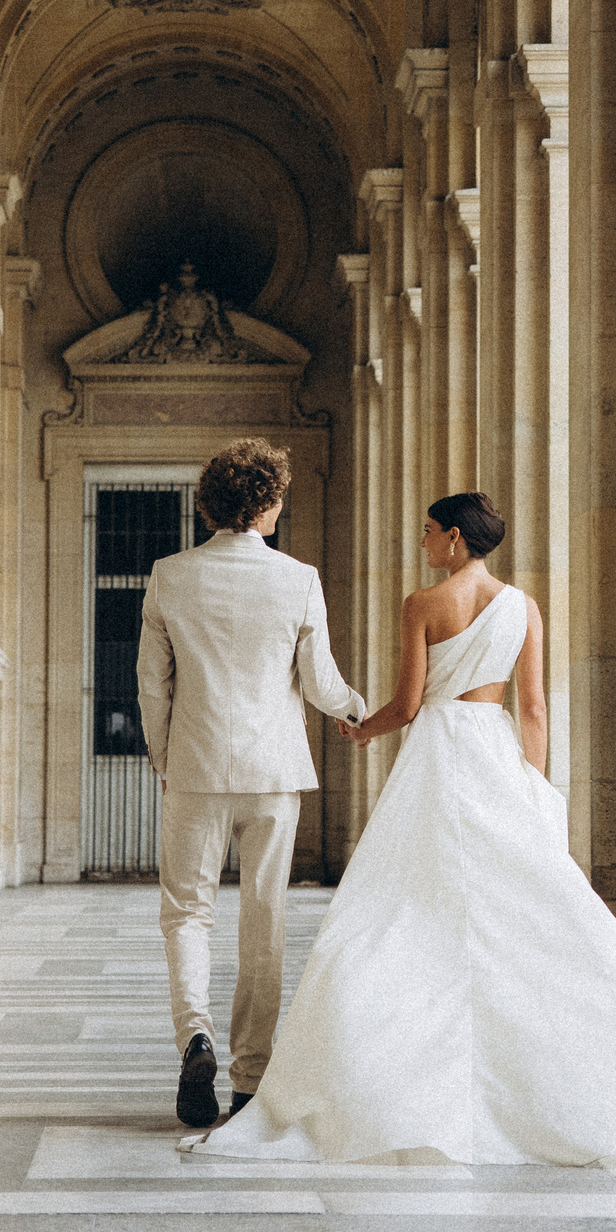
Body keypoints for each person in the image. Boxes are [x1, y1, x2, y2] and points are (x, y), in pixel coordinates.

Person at [190, 491, 616, 1166]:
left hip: (439, 754)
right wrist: (533, 786)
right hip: (495, 751)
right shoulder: (523, 606)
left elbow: (408, 702)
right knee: (530, 913)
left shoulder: (422, 605)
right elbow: (535, 706)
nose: (422, 543)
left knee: (397, 910)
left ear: (455, 538)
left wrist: (361, 729)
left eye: (429, 532)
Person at [138, 437, 368, 1130]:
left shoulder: (169, 574)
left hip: (196, 767)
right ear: (267, 503)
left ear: (212, 503)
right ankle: (249, 1078)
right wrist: (360, 708)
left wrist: (162, 754)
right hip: (273, 774)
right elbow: (322, 683)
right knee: (263, 918)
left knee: (187, 911)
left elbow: (153, 683)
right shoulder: (298, 578)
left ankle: (196, 1037)